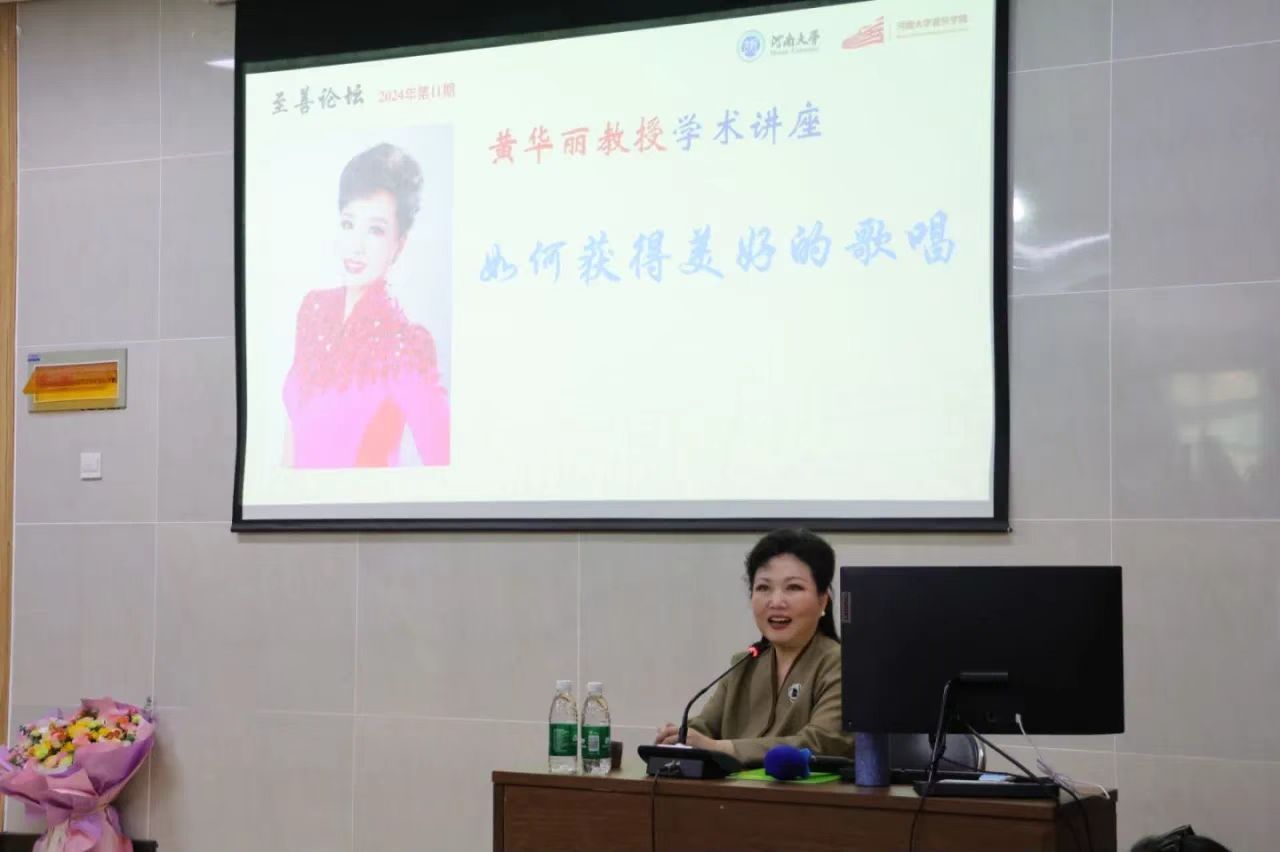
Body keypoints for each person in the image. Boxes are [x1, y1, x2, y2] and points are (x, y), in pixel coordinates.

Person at [283, 142, 450, 468]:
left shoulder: (406, 345)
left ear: (398, 245)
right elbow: (293, 430)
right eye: (348, 224)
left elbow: (443, 459)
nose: (355, 246)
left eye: (375, 230)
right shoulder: (314, 310)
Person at [654, 528, 854, 765]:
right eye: (763, 588)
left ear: (823, 601)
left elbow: (823, 742)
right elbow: (705, 727)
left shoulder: (843, 664)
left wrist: (721, 748)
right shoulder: (743, 664)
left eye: (793, 587)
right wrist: (679, 737)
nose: (776, 602)